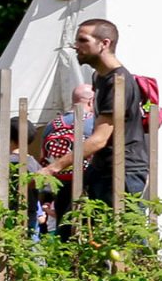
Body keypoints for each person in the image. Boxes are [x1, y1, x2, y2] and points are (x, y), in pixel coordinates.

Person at [45, 18, 153, 211]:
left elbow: (99, 140)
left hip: (123, 169)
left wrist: (54, 167)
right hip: (102, 167)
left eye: (83, 40)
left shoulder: (118, 82)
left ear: (104, 43)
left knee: (123, 228)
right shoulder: (99, 77)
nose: (76, 46)